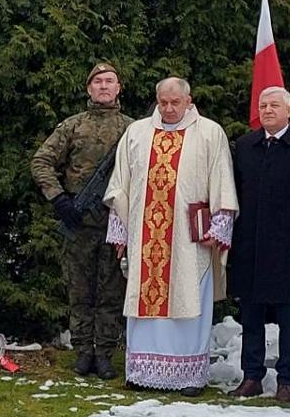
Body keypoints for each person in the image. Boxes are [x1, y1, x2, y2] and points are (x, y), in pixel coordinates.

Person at [102, 76, 238, 397]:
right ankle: (142, 372)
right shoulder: (137, 132)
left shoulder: (209, 132)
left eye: (175, 102)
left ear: (188, 101)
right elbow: (121, 184)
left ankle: (188, 376)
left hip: (190, 240)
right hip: (145, 238)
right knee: (144, 301)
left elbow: (222, 180)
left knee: (188, 298)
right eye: (163, 102)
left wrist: (219, 226)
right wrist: (119, 230)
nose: (169, 108)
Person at [31, 62, 132, 380]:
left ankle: (104, 355)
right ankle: (83, 352)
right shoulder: (73, 126)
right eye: (98, 81)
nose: (104, 86)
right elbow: (41, 161)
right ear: (89, 88)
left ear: (118, 88)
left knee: (111, 293)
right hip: (79, 221)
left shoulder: (134, 130)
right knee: (80, 292)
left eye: (109, 81)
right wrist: (59, 199)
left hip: (117, 222)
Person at [225, 86, 290, 400]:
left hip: (289, 248)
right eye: (263, 105)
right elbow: (235, 196)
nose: (267, 110)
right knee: (251, 316)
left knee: (288, 318)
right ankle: (252, 376)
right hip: (250, 247)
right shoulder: (245, 146)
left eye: (274, 105)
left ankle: (286, 380)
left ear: (289, 111)